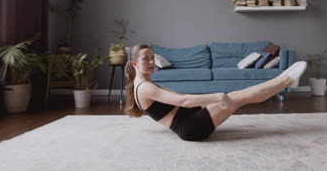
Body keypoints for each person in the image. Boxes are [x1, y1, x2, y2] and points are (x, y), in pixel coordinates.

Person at [124, 43, 307, 141]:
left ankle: (283, 79)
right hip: (191, 128)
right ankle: (286, 80)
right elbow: (183, 101)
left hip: (189, 118)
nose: (151, 62)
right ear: (134, 63)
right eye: (145, 59)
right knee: (238, 97)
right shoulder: (146, 87)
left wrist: (205, 102)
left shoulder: (143, 82)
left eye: (152, 58)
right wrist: (217, 96)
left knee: (238, 95)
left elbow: (180, 103)